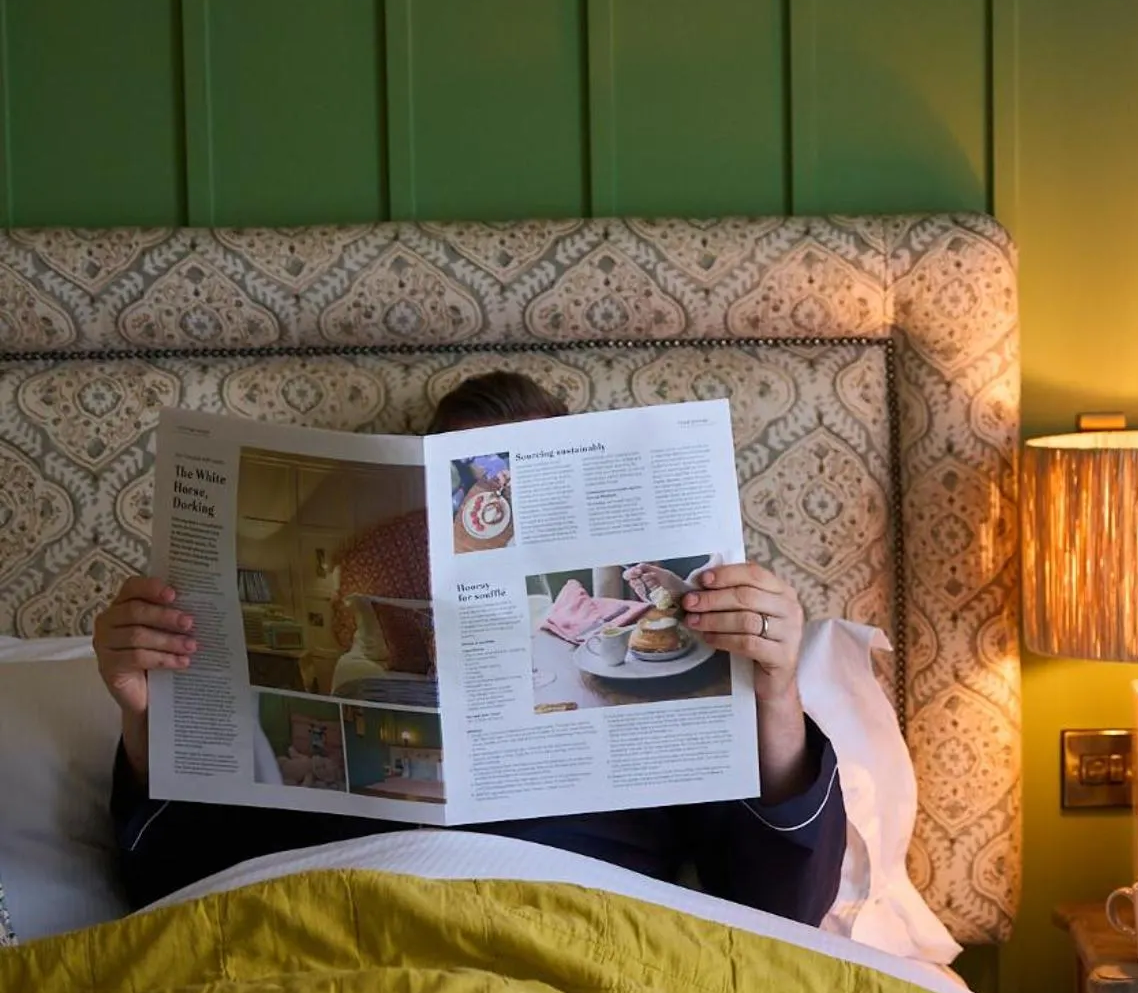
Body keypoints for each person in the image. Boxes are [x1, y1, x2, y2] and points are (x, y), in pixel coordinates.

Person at [94, 371, 845, 926]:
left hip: (584, 941)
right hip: (342, 935)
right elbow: (170, 886)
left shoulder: (657, 672)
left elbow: (783, 905)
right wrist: (144, 714)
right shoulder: (340, 682)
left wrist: (775, 693)